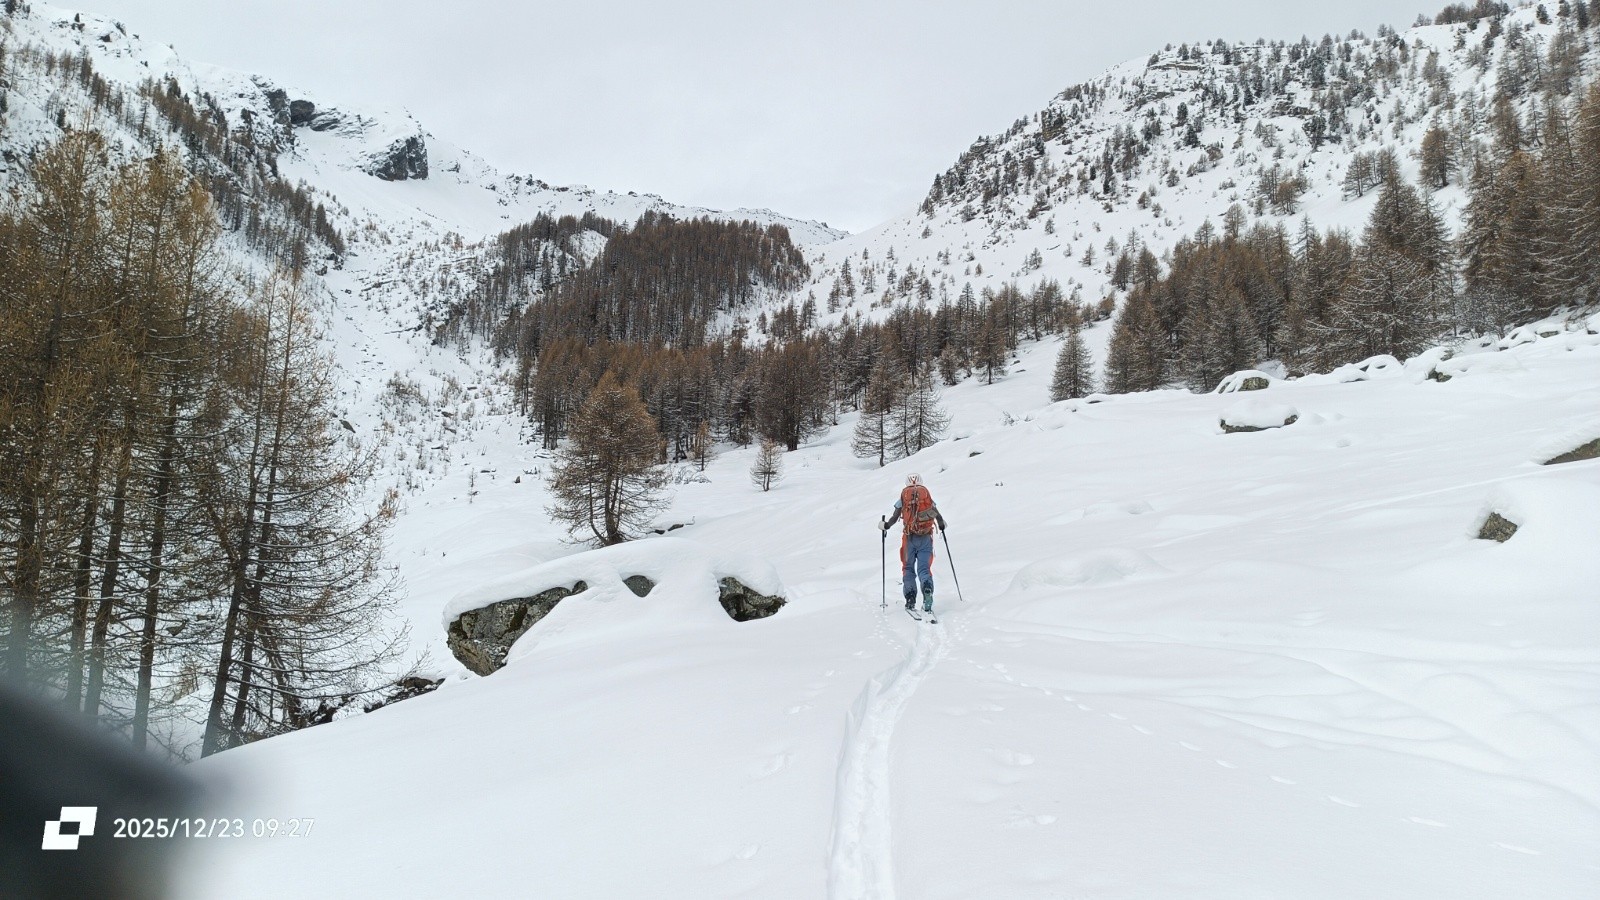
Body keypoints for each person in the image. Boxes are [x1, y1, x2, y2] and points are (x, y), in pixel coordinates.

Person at [881, 474, 947, 613]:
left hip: (908, 539)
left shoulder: (903, 498)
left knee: (908, 568)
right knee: (924, 569)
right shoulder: (926, 497)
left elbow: (894, 517)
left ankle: (910, 598)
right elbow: (937, 515)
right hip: (925, 538)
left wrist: (885, 526)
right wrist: (941, 526)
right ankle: (927, 589)